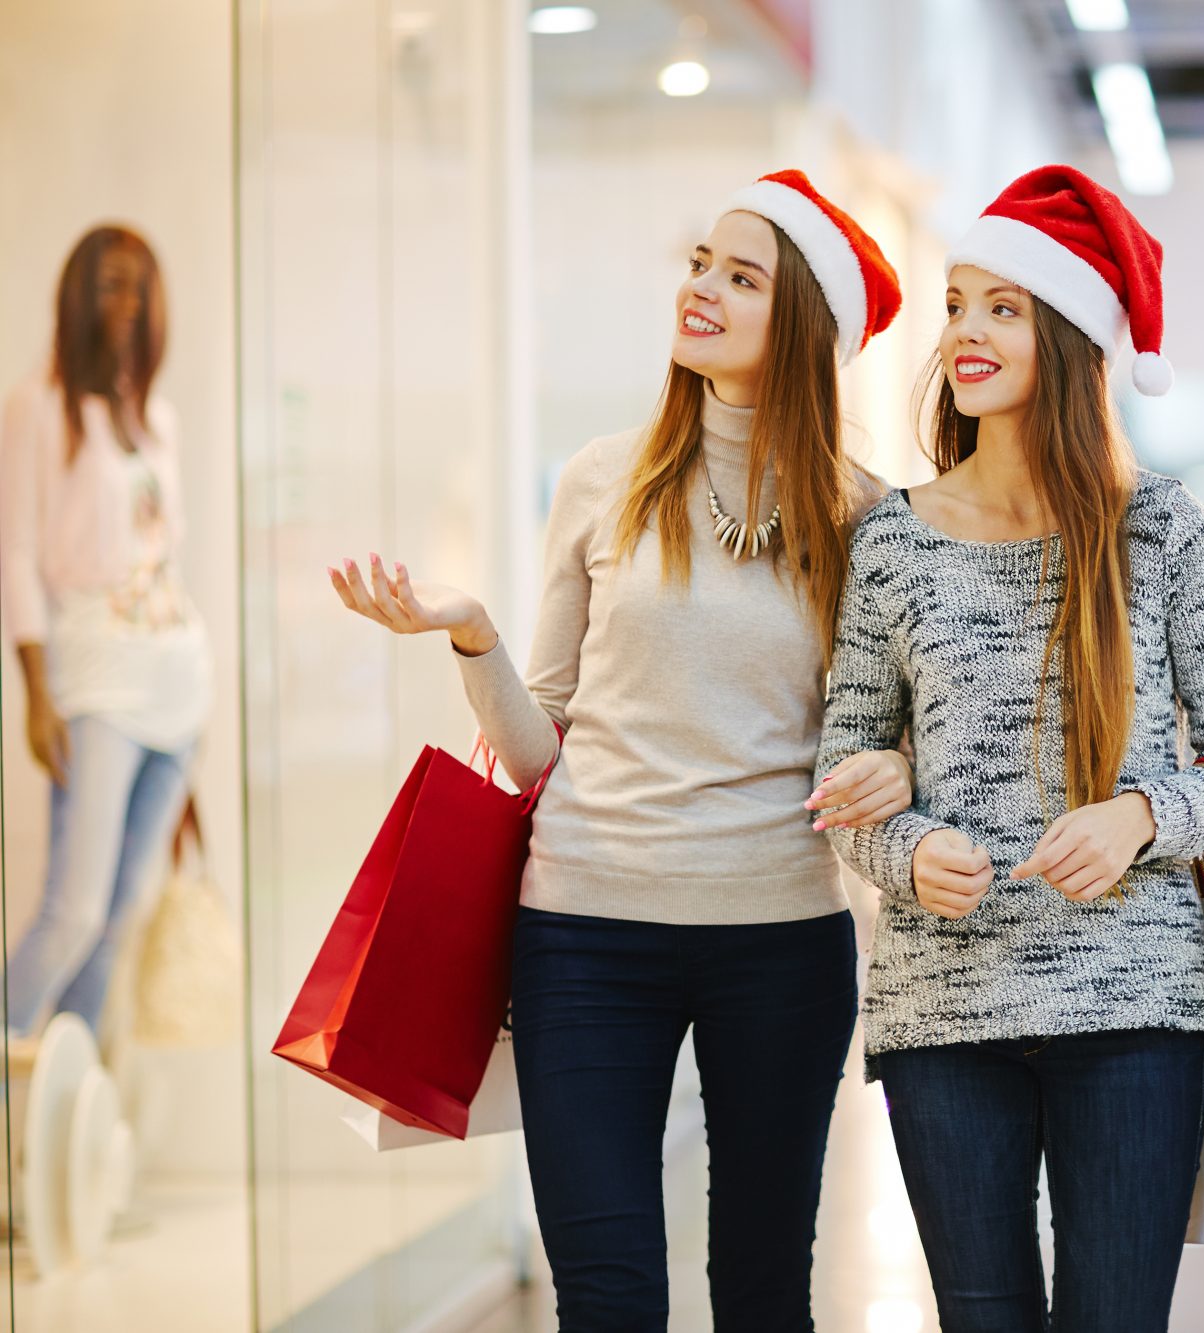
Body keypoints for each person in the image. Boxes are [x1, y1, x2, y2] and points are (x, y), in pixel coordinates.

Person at [330, 171, 909, 1332]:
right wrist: (471, 632)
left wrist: (891, 765)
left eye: (740, 277)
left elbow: (887, 734)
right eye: (700, 261)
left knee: (760, 1293)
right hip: (584, 937)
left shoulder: (865, 514)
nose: (700, 288)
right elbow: (539, 747)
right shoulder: (605, 476)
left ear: (798, 322)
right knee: (603, 1294)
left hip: (779, 943)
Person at [809, 165, 1204, 1333]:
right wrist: (906, 849)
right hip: (941, 1012)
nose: (963, 329)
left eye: (1001, 307)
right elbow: (847, 766)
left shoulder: (1157, 526)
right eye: (957, 302)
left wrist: (1136, 818)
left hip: (1136, 1012)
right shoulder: (890, 539)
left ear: (1067, 335)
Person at [2, 224, 211, 1041]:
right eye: (109, 284)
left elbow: (167, 559)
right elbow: (15, 554)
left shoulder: (156, 416)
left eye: (139, 286)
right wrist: (35, 691)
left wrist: (190, 764)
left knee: (120, 917)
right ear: (78, 295)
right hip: (97, 682)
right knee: (75, 910)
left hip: (178, 689)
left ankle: (61, 1111)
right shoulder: (40, 404)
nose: (125, 303)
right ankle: (16, 1083)